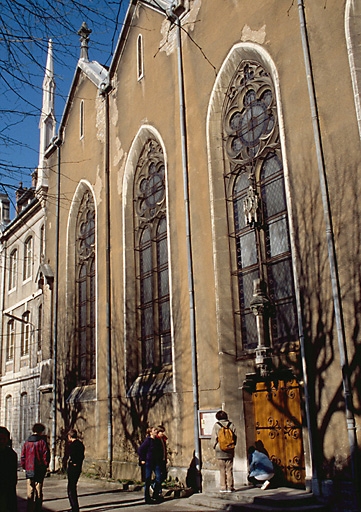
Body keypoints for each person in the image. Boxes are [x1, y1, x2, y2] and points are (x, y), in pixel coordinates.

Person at [21, 423, 50, 512]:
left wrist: (24, 467)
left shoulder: (27, 443)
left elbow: (23, 456)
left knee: (30, 491)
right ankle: (38, 509)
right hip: (39, 469)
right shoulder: (42, 442)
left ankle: (29, 509)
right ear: (41, 432)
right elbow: (46, 456)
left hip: (29, 469)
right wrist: (45, 466)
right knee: (38, 491)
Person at [211, 410, 237, 493]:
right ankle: (230, 487)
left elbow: (214, 438)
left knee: (222, 469)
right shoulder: (231, 425)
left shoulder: (216, 426)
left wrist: (214, 446)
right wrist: (232, 445)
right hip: (229, 449)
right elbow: (235, 436)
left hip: (220, 449)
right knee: (229, 469)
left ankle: (223, 487)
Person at [138, 427, 164, 504]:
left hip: (156, 462)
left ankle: (155, 494)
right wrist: (142, 459)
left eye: (156, 430)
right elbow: (140, 449)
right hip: (149, 462)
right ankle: (147, 498)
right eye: (154, 430)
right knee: (148, 479)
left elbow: (160, 450)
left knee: (159, 477)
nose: (156, 431)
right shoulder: (148, 440)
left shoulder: (157, 440)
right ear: (150, 433)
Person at [67, 429, 85, 512]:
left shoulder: (72, 445)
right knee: (73, 487)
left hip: (73, 468)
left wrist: (73, 462)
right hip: (78, 468)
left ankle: (74, 507)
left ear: (69, 437)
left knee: (71, 488)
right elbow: (82, 456)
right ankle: (75, 507)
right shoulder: (80, 444)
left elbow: (73, 456)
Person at [0, 426, 17, 512]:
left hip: (7, 491)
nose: (2, 441)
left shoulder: (11, 454)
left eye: (4, 438)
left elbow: (13, 477)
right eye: (0, 439)